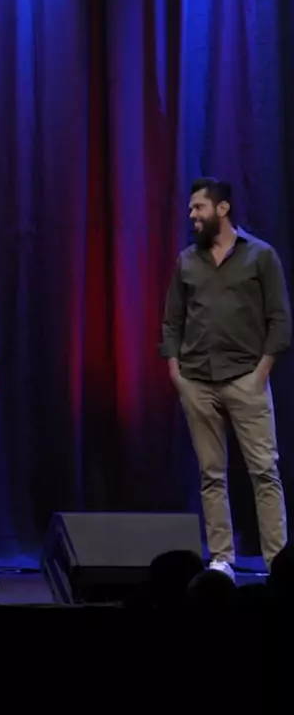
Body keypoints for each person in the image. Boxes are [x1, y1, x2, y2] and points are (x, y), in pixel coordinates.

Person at [162, 177, 291, 581]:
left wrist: (261, 373)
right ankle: (221, 558)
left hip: (246, 378)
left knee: (264, 472)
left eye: (198, 207)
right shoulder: (187, 261)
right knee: (211, 474)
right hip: (197, 381)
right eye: (190, 208)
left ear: (222, 209)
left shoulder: (260, 256)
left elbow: (280, 320)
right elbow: (172, 322)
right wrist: (176, 374)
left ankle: (278, 562)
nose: (192, 215)